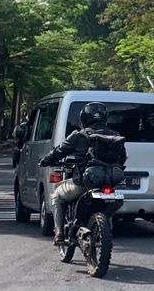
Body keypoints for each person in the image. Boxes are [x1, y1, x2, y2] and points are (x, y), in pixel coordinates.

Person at [39, 102, 127, 244]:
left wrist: (45, 161)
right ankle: (103, 228)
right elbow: (122, 159)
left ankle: (59, 233)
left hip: (83, 183)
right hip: (110, 182)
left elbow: (59, 152)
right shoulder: (115, 136)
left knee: (57, 195)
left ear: (84, 117)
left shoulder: (79, 135)